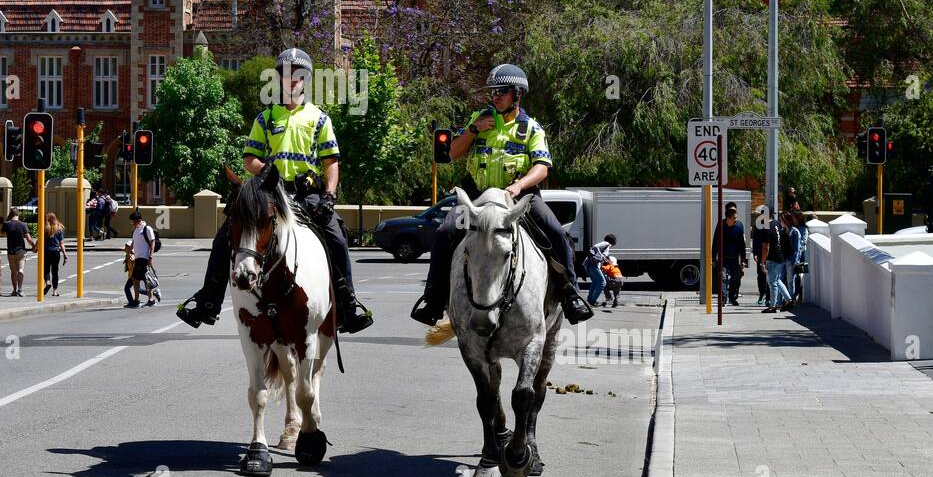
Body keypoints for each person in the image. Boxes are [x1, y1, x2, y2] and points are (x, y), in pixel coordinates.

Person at [176, 47, 373, 333]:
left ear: (305, 79)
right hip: (271, 193)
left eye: (298, 75)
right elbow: (249, 158)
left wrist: (329, 196)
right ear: (278, 78)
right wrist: (264, 169)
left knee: (337, 237)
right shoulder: (265, 118)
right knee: (225, 236)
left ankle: (348, 304)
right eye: (286, 74)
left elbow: (331, 162)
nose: (292, 80)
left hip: (307, 194)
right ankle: (208, 301)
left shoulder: (320, 119)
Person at [411, 63, 593, 326]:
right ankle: (433, 300)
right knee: (444, 233)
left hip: (518, 198)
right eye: (493, 91)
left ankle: (571, 295)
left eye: (502, 91)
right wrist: (473, 130)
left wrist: (519, 186)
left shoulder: (531, 128)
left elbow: (542, 167)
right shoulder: (478, 118)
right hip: (477, 199)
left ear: (517, 94)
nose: (495, 95)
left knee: (557, 233)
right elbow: (452, 152)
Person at [712, 202, 748, 307]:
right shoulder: (721, 225)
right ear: (728, 217)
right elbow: (715, 242)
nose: (736, 219)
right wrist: (713, 257)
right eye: (734, 218)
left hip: (735, 258)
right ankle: (723, 299)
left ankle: (732, 297)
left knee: (735, 280)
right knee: (722, 279)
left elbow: (742, 244)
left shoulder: (739, 226)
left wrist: (743, 260)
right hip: (723, 258)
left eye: (736, 217)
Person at [760, 206, 793, 313]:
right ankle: (788, 300)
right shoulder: (776, 224)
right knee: (777, 280)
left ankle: (772, 306)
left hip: (772, 258)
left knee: (772, 282)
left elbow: (766, 247)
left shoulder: (766, 228)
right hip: (780, 256)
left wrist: (762, 261)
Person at [124, 211, 159, 307]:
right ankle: (150, 299)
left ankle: (138, 301)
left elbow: (152, 243)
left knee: (137, 279)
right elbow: (133, 244)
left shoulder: (147, 229)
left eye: (133, 221)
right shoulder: (135, 230)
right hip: (138, 258)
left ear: (138, 220)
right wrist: (128, 251)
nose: (132, 223)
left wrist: (150, 257)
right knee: (142, 279)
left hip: (144, 258)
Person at [2, 208, 35, 298]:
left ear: (10, 214)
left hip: (11, 251)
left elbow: (3, 234)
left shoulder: (6, 224)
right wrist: (33, 246)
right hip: (21, 251)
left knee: (13, 271)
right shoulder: (23, 225)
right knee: (21, 270)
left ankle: (14, 290)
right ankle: (20, 289)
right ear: (18, 214)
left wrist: (8, 220)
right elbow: (28, 238)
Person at [585, 234, 618, 307]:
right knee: (602, 282)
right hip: (592, 264)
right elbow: (595, 247)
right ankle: (593, 301)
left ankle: (590, 299)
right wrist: (602, 256)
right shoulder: (606, 243)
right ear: (612, 242)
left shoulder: (606, 246)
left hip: (589, 264)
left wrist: (605, 259)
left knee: (595, 281)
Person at [41, 211, 67, 296]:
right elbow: (61, 243)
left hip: (46, 251)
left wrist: (34, 248)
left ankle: (48, 281)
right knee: (55, 272)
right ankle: (55, 291)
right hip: (55, 252)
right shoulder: (59, 229)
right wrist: (65, 255)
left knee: (46, 269)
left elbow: (39, 241)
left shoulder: (44, 228)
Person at [751, 205, 772, 306]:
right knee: (761, 276)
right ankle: (762, 294)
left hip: (770, 253)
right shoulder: (758, 225)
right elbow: (755, 239)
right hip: (760, 253)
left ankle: (768, 297)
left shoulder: (772, 224)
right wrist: (755, 252)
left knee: (769, 276)